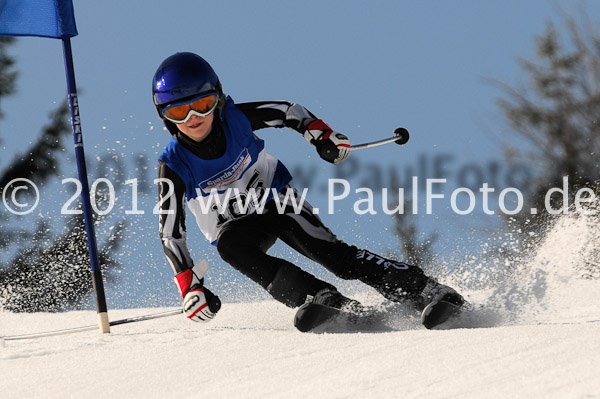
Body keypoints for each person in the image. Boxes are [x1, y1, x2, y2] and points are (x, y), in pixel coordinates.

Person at [153, 52, 464, 323]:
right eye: (179, 112)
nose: (194, 118)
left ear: (217, 100)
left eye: (203, 105)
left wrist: (321, 136)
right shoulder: (173, 167)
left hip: (275, 200)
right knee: (230, 249)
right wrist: (190, 287)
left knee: (333, 256)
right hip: (235, 226)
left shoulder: (236, 119)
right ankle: (323, 299)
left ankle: (423, 288)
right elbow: (171, 233)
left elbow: (288, 111)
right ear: (165, 117)